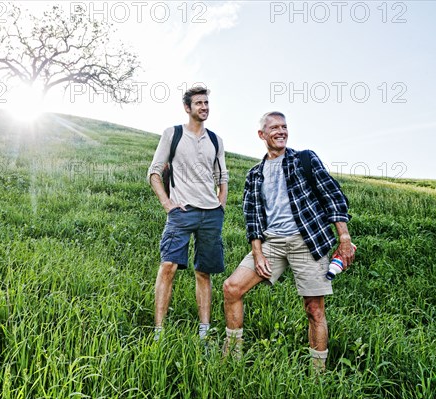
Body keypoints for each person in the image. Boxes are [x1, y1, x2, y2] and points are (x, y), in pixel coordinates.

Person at [222, 111, 354, 371]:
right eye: (274, 128)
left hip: (306, 241)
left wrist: (344, 237)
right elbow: (253, 219)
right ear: (262, 134)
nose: (281, 131)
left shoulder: (304, 159)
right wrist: (257, 252)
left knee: (314, 309)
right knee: (231, 288)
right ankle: (232, 358)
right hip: (272, 243)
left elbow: (332, 195)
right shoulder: (254, 174)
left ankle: (318, 375)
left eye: (284, 126)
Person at [147, 86, 229, 341]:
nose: (204, 107)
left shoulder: (215, 139)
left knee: (204, 272)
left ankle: (204, 332)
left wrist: (220, 205)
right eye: (199, 103)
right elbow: (154, 172)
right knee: (168, 266)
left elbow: (222, 177)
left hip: (210, 214)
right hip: (181, 212)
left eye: (206, 103)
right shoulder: (173, 134)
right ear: (187, 108)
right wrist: (167, 203)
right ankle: (159, 331)